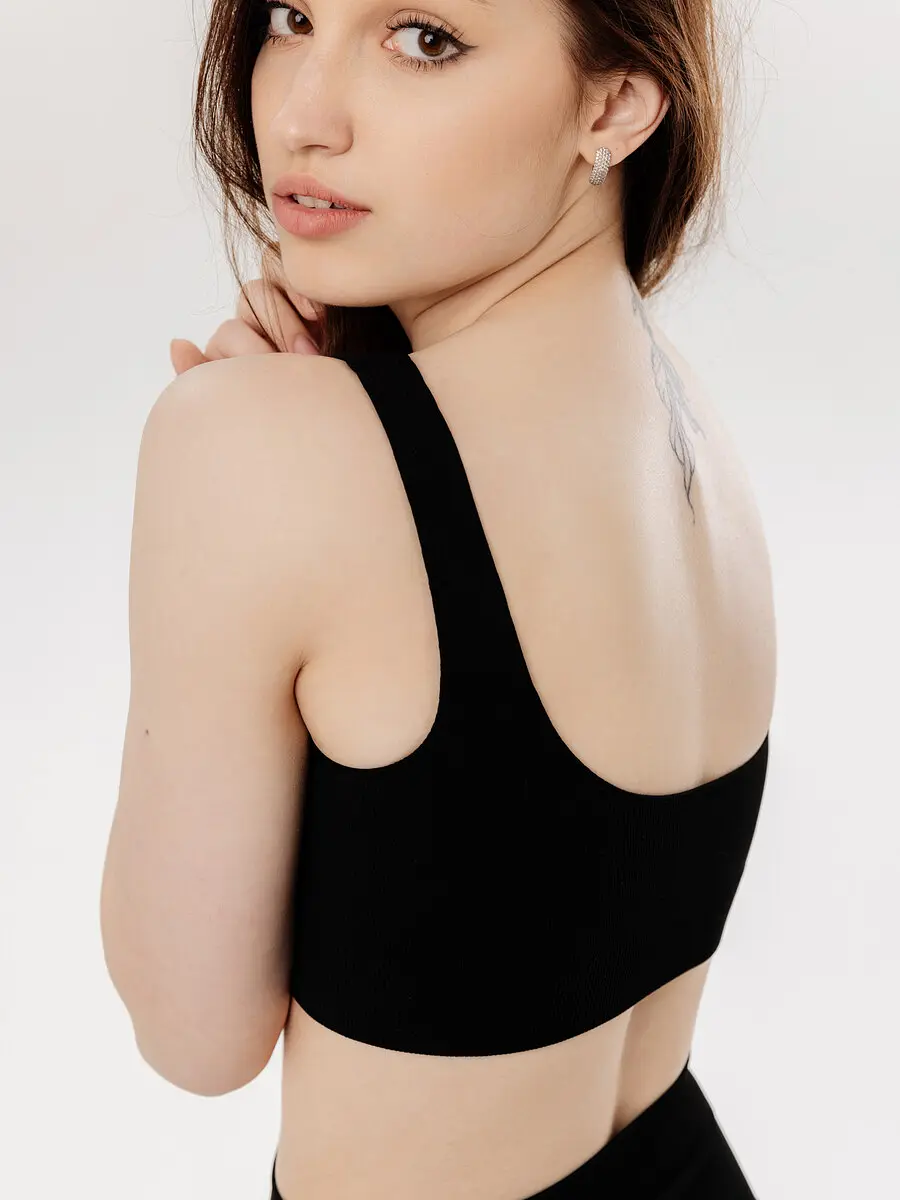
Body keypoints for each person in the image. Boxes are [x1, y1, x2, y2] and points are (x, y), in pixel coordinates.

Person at [105, 1, 777, 1198]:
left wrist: (248, 467)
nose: (302, 114)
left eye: (423, 39)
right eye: (292, 16)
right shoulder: (693, 430)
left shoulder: (259, 444)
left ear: (615, 105)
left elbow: (195, 1039)